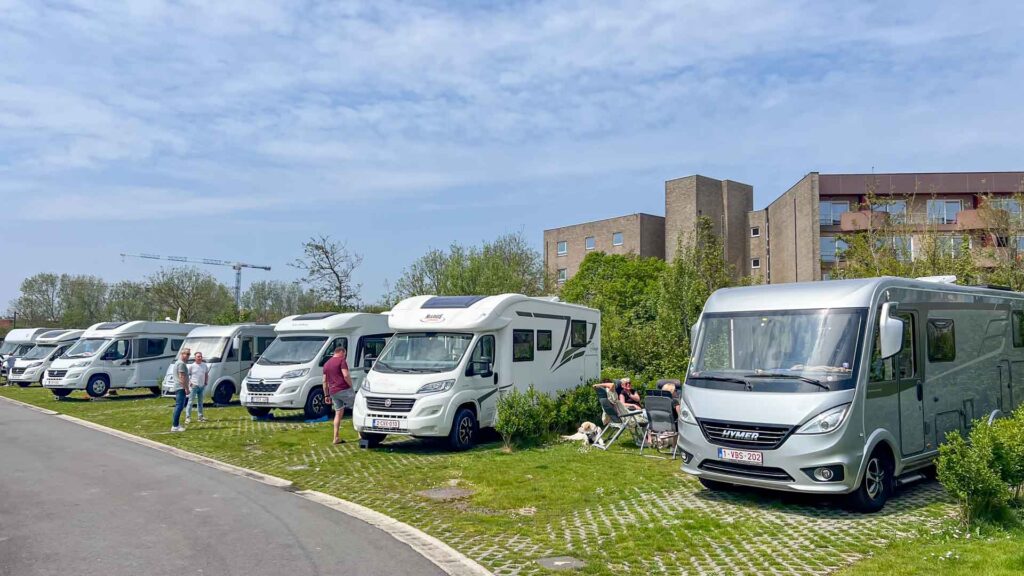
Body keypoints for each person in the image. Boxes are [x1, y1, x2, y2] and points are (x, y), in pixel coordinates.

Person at [322, 346, 354, 445]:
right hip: (344, 389)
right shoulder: (341, 361)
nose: (345, 356)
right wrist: (351, 386)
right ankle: (361, 434)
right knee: (357, 408)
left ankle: (335, 437)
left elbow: (324, 381)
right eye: (344, 354)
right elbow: (346, 375)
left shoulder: (326, 364)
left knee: (338, 413)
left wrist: (326, 395)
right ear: (341, 352)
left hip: (333, 391)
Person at [185, 351, 209, 424]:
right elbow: (187, 375)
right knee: (190, 401)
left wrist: (206, 382)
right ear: (195, 358)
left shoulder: (204, 365)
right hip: (194, 386)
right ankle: (188, 417)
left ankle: (200, 417)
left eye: (201, 356)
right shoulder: (192, 366)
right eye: (198, 356)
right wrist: (190, 383)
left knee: (200, 402)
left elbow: (206, 374)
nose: (200, 358)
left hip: (201, 386)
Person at [170, 348, 191, 432]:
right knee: (179, 406)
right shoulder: (181, 364)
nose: (188, 356)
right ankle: (175, 426)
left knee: (179, 406)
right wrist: (186, 388)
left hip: (179, 387)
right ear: (182, 354)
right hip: (180, 387)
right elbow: (182, 377)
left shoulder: (178, 363)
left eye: (189, 354)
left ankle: (176, 424)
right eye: (187, 354)